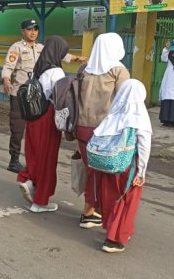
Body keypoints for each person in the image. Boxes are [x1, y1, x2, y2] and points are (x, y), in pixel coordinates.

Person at [2, 19, 87, 173]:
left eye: (35, 29)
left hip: (37, 96)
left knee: (33, 129)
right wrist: (6, 79)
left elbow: (60, 53)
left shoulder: (42, 47)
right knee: (17, 128)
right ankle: (14, 159)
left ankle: (31, 159)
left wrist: (77, 58)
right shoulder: (17, 48)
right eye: (29, 29)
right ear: (23, 31)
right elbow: (8, 66)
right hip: (20, 95)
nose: (33, 32)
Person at [75, 33, 130, 229]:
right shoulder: (118, 71)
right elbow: (126, 102)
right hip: (106, 131)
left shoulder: (85, 69)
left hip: (82, 127)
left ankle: (89, 210)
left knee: (91, 171)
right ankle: (102, 215)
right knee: (108, 175)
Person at [93, 79, 152, 253]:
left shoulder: (113, 112)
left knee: (110, 196)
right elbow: (144, 146)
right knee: (126, 200)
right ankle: (114, 239)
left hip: (108, 163)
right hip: (128, 165)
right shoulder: (139, 116)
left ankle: (115, 229)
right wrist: (141, 171)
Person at [17, 36, 69, 213]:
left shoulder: (39, 68)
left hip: (34, 117)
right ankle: (40, 201)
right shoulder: (57, 72)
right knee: (47, 159)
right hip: (48, 118)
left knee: (36, 154)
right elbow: (60, 100)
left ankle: (30, 181)